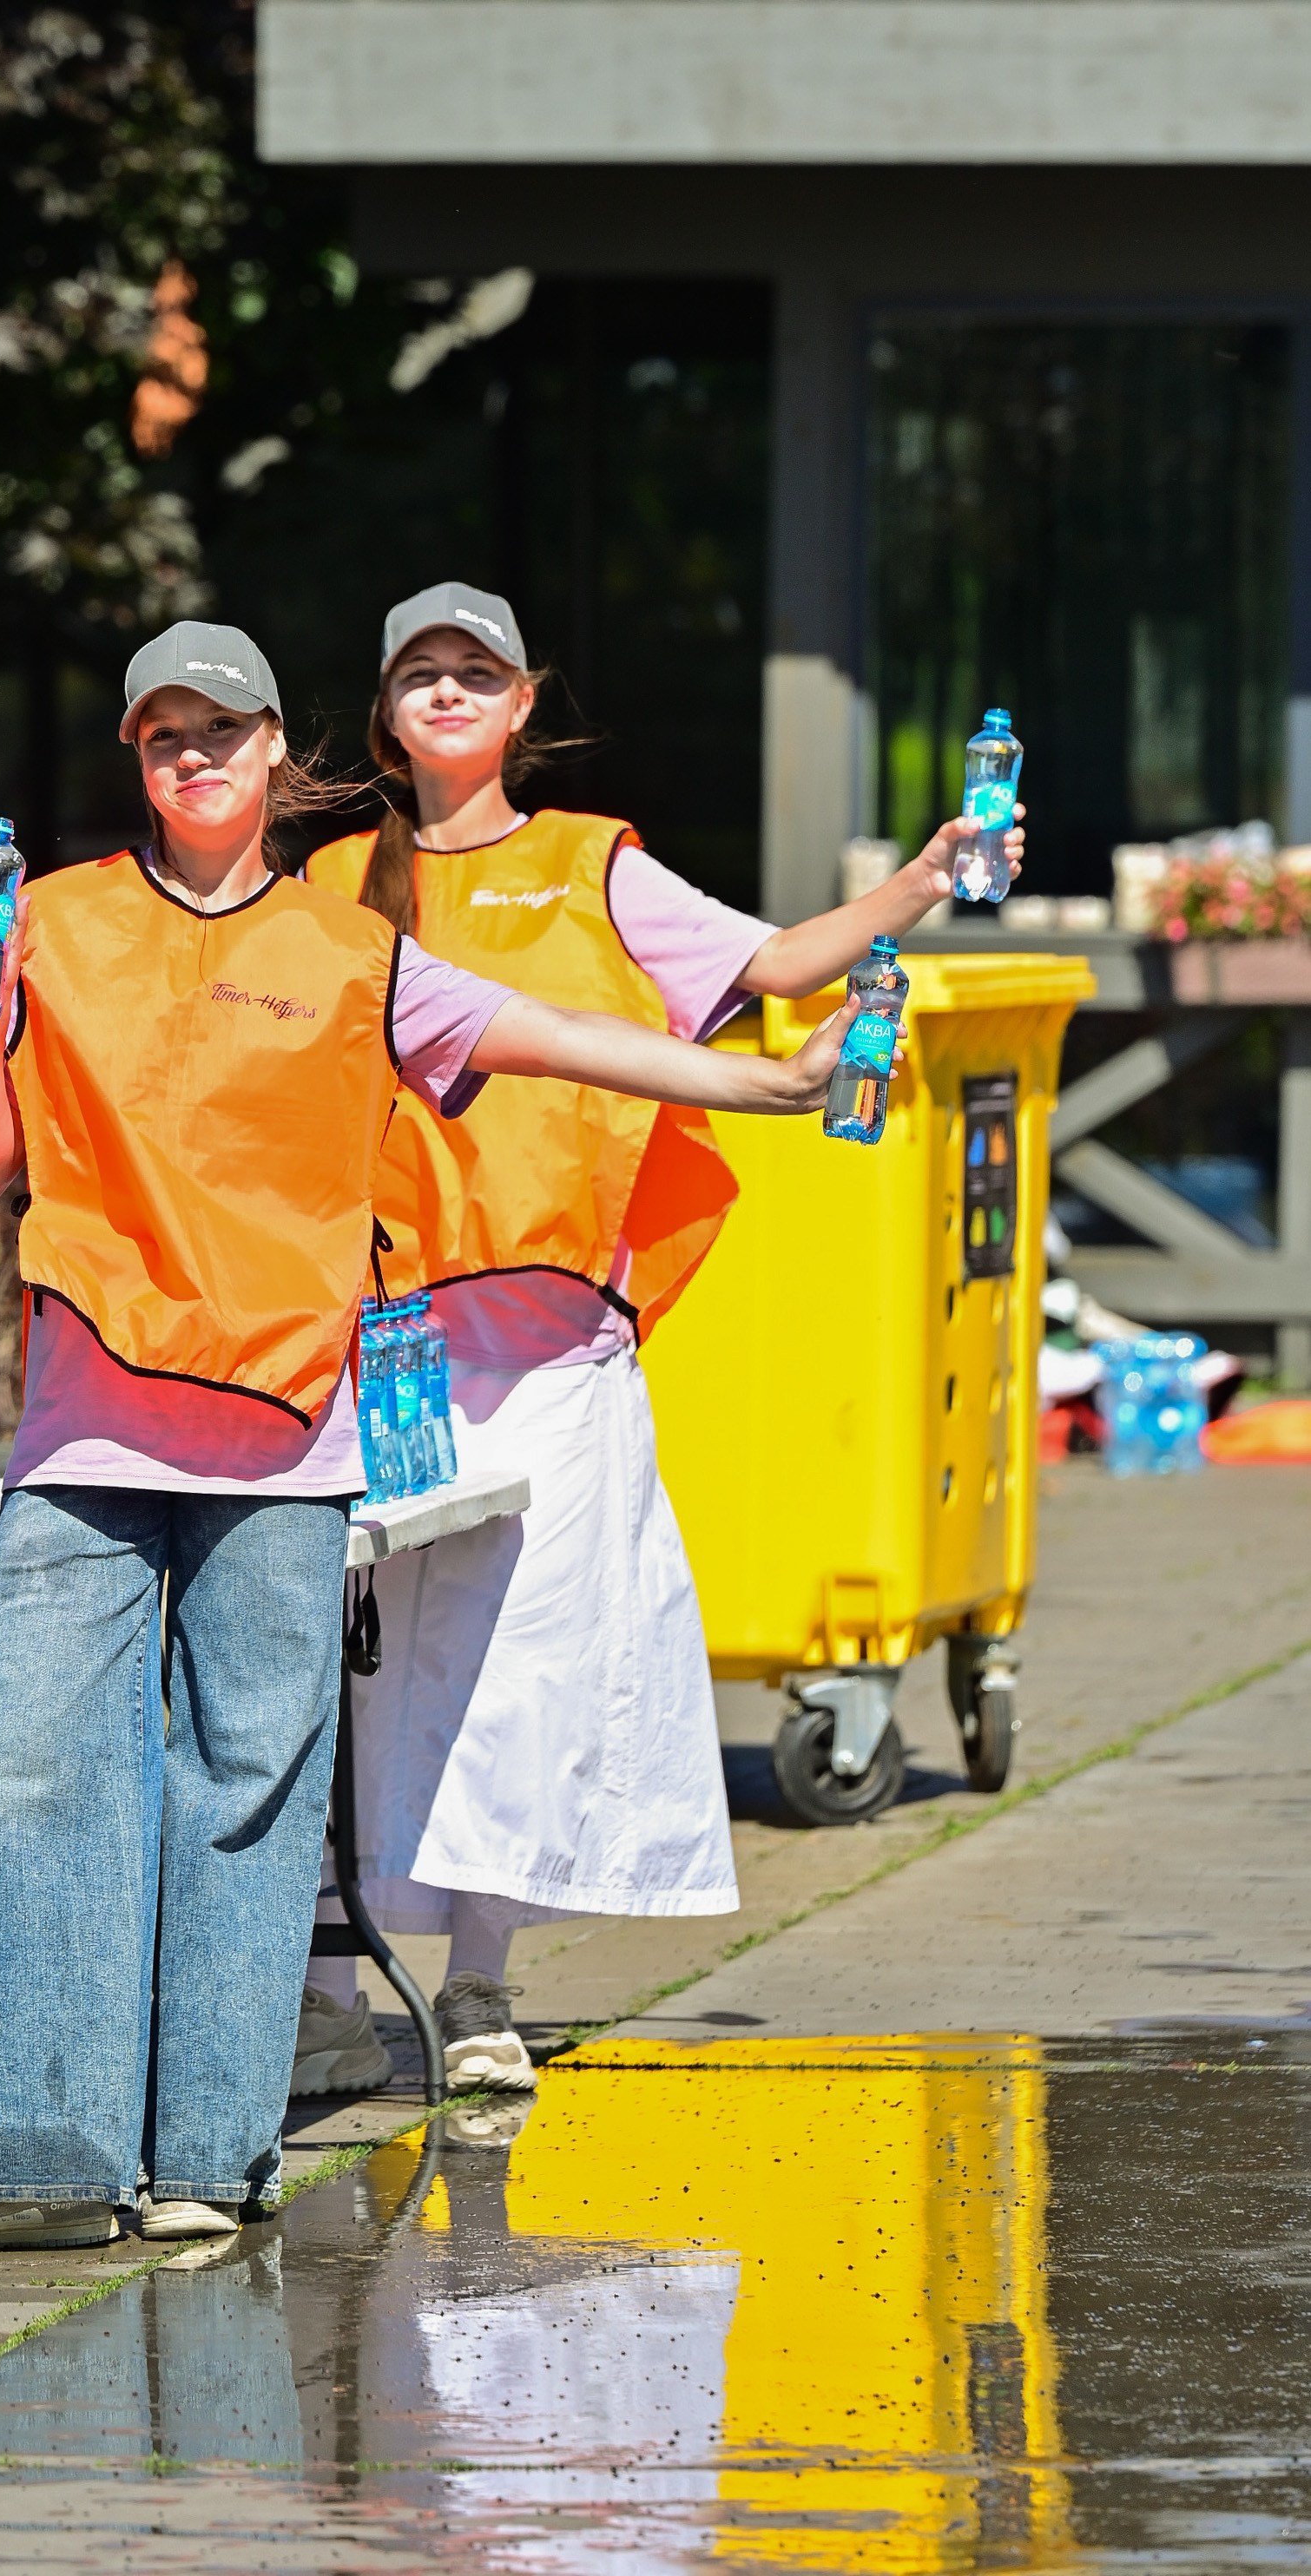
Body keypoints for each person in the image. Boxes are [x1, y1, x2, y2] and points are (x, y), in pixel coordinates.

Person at [0, 617, 876, 2257]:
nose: (195, 757)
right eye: (164, 734)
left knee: (250, 1799)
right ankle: (23, 2170)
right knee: (41, 1782)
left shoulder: (353, 950)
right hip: (90, 1435)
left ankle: (204, 2161)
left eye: (224, 731)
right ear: (137, 755)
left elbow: (558, 1037)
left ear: (278, 752)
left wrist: (762, 1089)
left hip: (285, 1444)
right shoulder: (53, 920)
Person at [302, 581, 1024, 2095]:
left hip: (552, 1335)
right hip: (376, 1339)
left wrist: (924, 879)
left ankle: (481, 1992)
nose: (444, 691)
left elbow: (771, 967)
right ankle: (327, 1993)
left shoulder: (591, 869)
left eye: (473, 672)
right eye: (416, 672)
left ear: (519, 705)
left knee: (518, 1667)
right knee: (348, 1665)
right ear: (384, 712)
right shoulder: (325, 885)